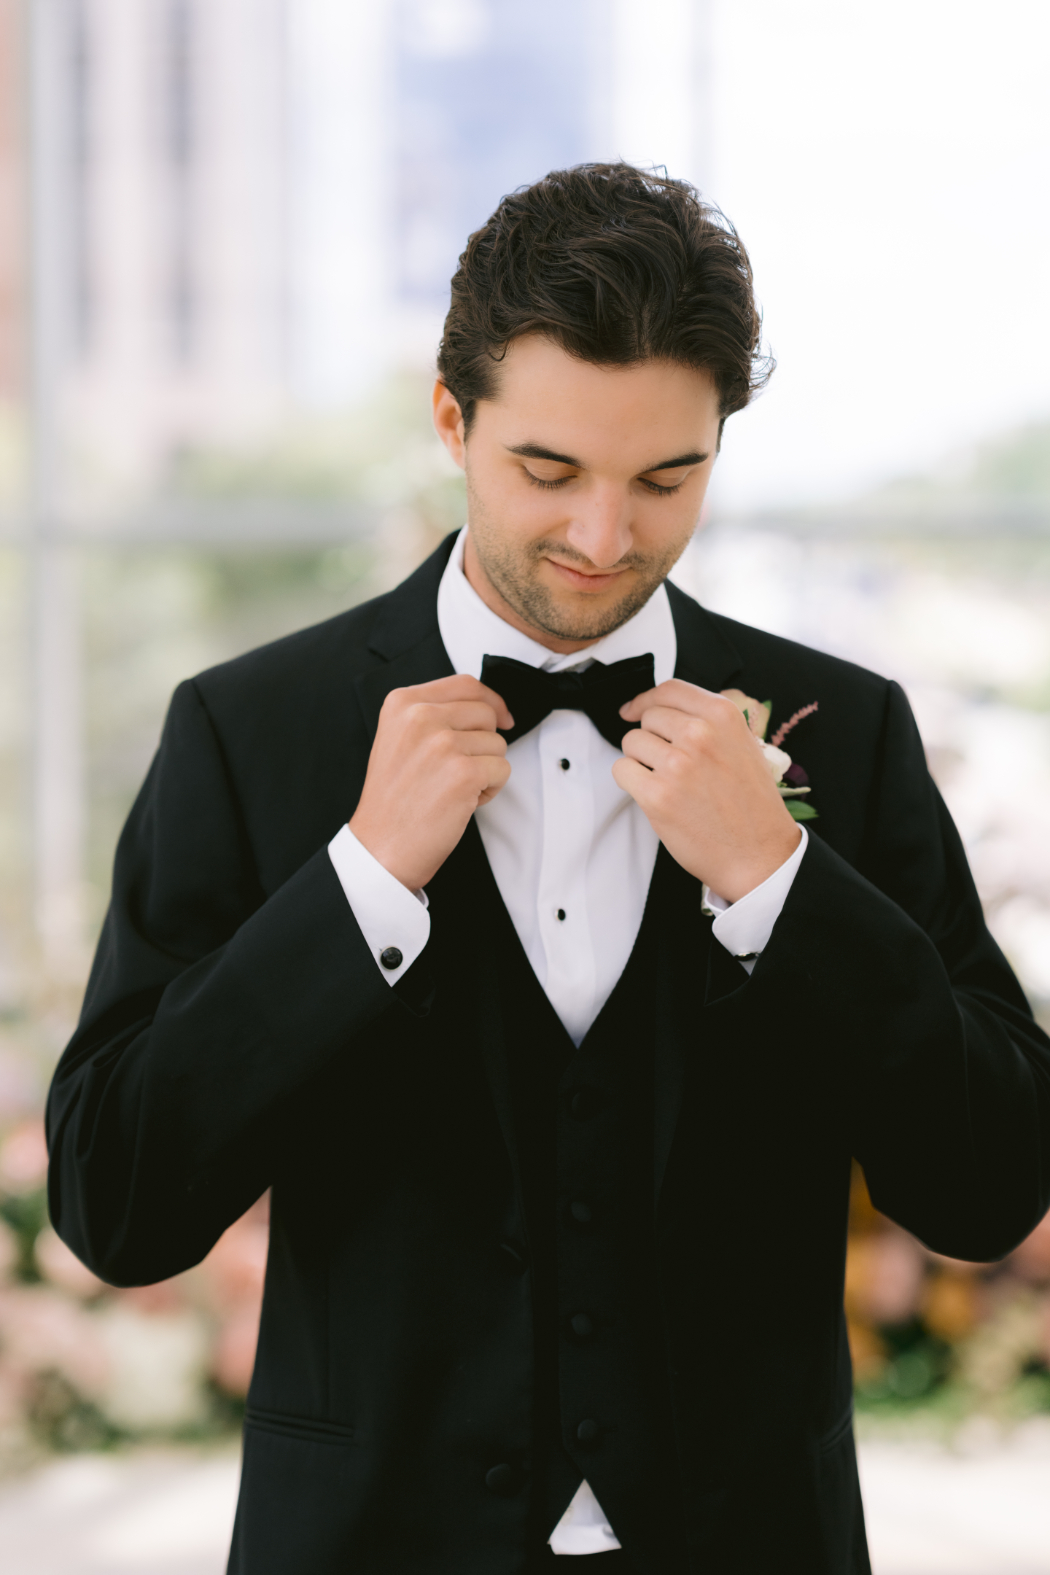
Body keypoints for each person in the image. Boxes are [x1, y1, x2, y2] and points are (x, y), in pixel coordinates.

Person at [46, 163, 1050, 1575]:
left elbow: (989, 1180)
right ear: (452, 420)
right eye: (547, 471)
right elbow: (117, 1202)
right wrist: (360, 887)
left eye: (665, 478)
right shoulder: (245, 730)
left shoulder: (851, 732)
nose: (602, 539)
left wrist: (779, 885)